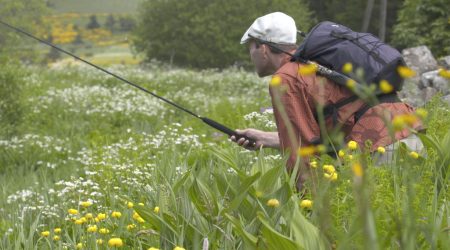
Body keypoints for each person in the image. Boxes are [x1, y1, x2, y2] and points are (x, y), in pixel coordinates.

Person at [231, 12, 423, 178]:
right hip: (410, 135)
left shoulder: (285, 78)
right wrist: (267, 139)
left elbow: (301, 154)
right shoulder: (315, 63)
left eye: (250, 47)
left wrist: (307, 208)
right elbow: (328, 126)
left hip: (380, 149)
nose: (250, 55)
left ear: (262, 49)